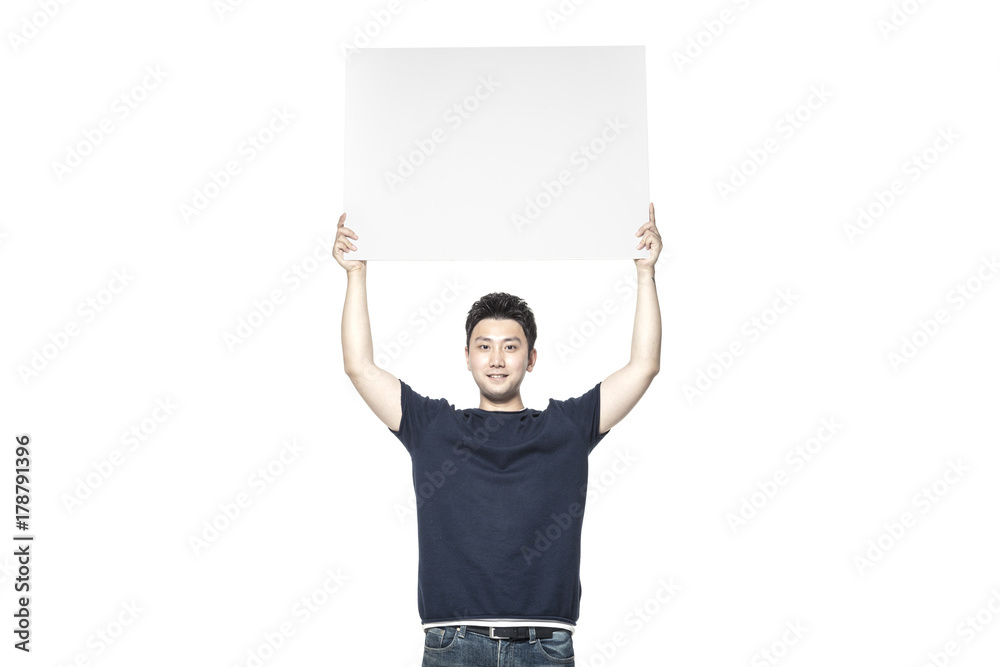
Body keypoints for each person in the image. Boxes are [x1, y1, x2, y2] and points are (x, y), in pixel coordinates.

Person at [333, 204, 662, 666]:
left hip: (545, 645)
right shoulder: (434, 428)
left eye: (511, 347)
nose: (496, 359)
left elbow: (644, 367)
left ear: (530, 359)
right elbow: (360, 368)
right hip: (453, 644)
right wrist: (355, 275)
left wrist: (645, 275)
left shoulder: (566, 428)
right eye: (484, 347)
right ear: (467, 356)